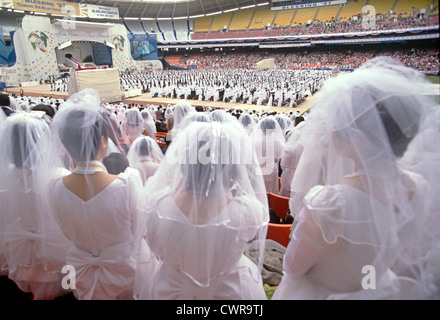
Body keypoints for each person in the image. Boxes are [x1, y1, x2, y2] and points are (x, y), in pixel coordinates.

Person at [272, 57, 438, 300]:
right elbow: (378, 264)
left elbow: (293, 266)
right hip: (376, 287)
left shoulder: (328, 203)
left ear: (359, 138)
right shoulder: (419, 188)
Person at [41, 89, 157, 300]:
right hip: (125, 270)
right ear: (103, 141)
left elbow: (64, 230)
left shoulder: (53, 185)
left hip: (79, 269)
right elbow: (140, 230)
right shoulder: (127, 181)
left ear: (65, 145)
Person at [140, 121, 269, 299]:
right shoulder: (248, 212)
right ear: (232, 168)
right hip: (233, 291)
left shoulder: (156, 205)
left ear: (184, 164)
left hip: (167, 289)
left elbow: (155, 247)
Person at [0, 112, 70, 299]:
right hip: (57, 251)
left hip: (21, 251)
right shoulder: (59, 176)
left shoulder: (4, 180)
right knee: (66, 287)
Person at [251, 116, 285, 194]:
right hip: (273, 169)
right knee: (272, 192)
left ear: (261, 129)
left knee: (260, 192)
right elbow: (280, 156)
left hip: (260, 169)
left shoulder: (256, 143)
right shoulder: (279, 143)